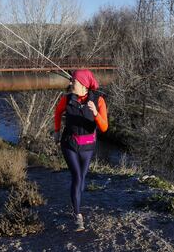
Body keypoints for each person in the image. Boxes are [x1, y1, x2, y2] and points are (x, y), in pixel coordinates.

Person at [54, 69, 108, 232]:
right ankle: (78, 216)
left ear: (84, 84)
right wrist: (57, 131)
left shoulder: (98, 100)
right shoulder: (67, 99)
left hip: (88, 147)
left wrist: (95, 113)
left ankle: (76, 198)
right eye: (71, 81)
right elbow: (57, 113)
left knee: (82, 179)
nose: (71, 84)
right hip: (69, 143)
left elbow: (104, 128)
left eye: (74, 82)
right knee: (77, 176)